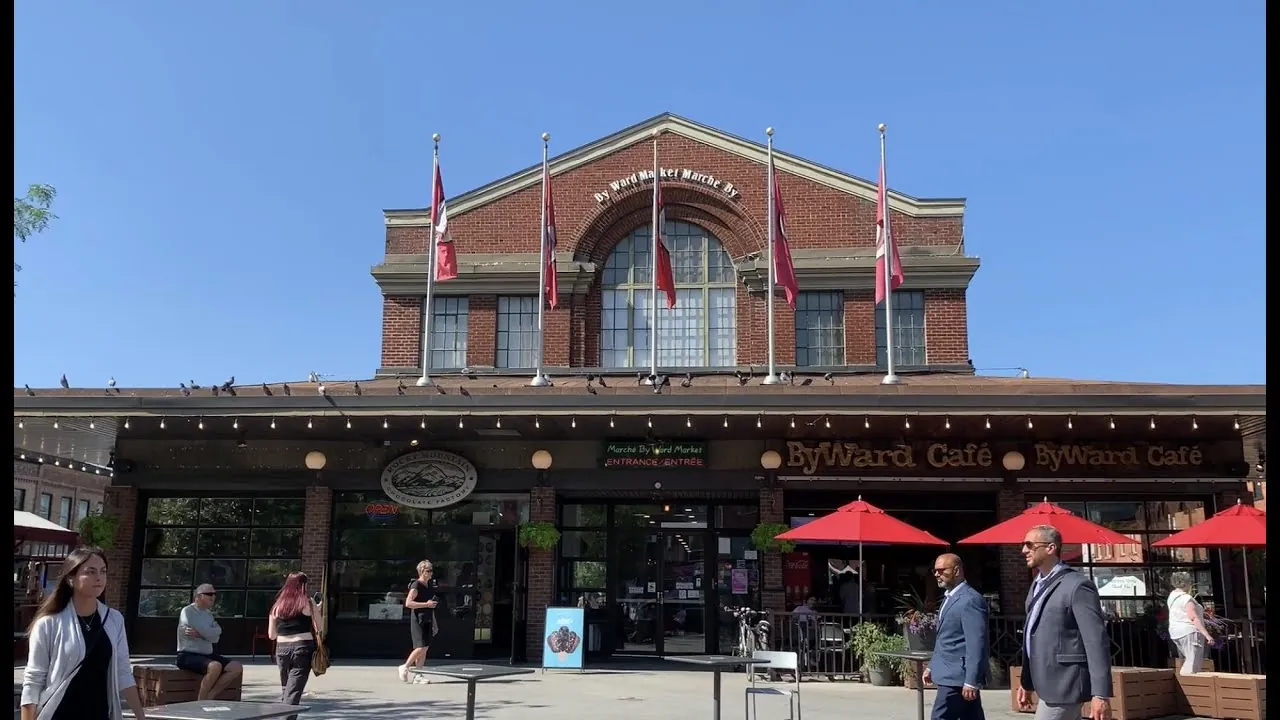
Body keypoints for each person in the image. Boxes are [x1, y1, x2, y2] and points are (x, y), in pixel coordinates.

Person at [20, 545, 148, 720]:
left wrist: (140, 716)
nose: (99, 578)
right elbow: (34, 680)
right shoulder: (49, 623)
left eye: (103, 572)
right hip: (59, 713)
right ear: (71, 578)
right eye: (91, 572)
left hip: (100, 712)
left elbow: (123, 672)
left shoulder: (114, 620)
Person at [1016, 525, 1112, 720]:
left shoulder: (1077, 586)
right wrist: (1026, 682)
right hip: (1044, 682)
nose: (1024, 550)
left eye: (1029, 545)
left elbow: (1095, 641)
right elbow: (1031, 636)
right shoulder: (1037, 584)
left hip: (1065, 683)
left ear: (1051, 548)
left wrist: (1100, 693)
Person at [923, 553, 989, 720]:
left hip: (957, 678)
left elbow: (976, 644)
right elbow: (945, 638)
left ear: (957, 570)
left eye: (941, 570)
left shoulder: (971, 600)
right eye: (934, 571)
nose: (936, 574)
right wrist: (932, 666)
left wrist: (971, 680)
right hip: (949, 673)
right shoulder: (948, 598)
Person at [175, 584, 243, 700]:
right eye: (209, 594)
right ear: (199, 596)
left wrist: (202, 634)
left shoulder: (208, 614)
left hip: (207, 654)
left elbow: (216, 636)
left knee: (237, 667)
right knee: (215, 666)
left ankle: (210, 696)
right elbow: (209, 632)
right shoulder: (187, 611)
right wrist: (209, 633)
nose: (213, 597)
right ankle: (200, 701)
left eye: (214, 594)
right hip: (187, 655)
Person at [268, 571, 321, 718]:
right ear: (303, 585)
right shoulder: (308, 602)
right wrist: (317, 610)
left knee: (287, 689)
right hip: (302, 648)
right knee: (293, 691)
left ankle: (287, 715)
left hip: (282, 649)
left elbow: (271, 635)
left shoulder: (276, 606)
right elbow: (320, 627)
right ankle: (286, 717)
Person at [398, 559, 440, 683]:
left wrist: (435, 623)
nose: (431, 573)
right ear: (422, 571)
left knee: (425, 647)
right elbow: (408, 603)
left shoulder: (430, 586)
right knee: (420, 647)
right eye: (428, 571)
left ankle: (418, 674)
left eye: (431, 570)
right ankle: (405, 667)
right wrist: (426, 605)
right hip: (418, 619)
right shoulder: (416, 585)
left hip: (427, 618)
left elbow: (431, 606)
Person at [1166, 571, 1215, 674]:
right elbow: (1193, 618)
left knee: (1189, 660)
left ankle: (1188, 684)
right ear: (1185, 583)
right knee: (1193, 663)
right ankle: (1187, 686)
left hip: (1176, 632)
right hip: (1190, 632)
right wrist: (1207, 635)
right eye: (1190, 581)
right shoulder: (1186, 599)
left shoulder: (1172, 596)